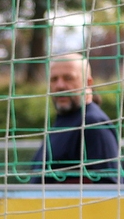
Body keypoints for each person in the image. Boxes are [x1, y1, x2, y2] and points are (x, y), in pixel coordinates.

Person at [29, 53, 121, 184]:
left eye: (68, 78)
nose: (60, 85)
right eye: (54, 79)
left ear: (88, 82)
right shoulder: (63, 120)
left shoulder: (92, 123)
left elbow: (109, 187)